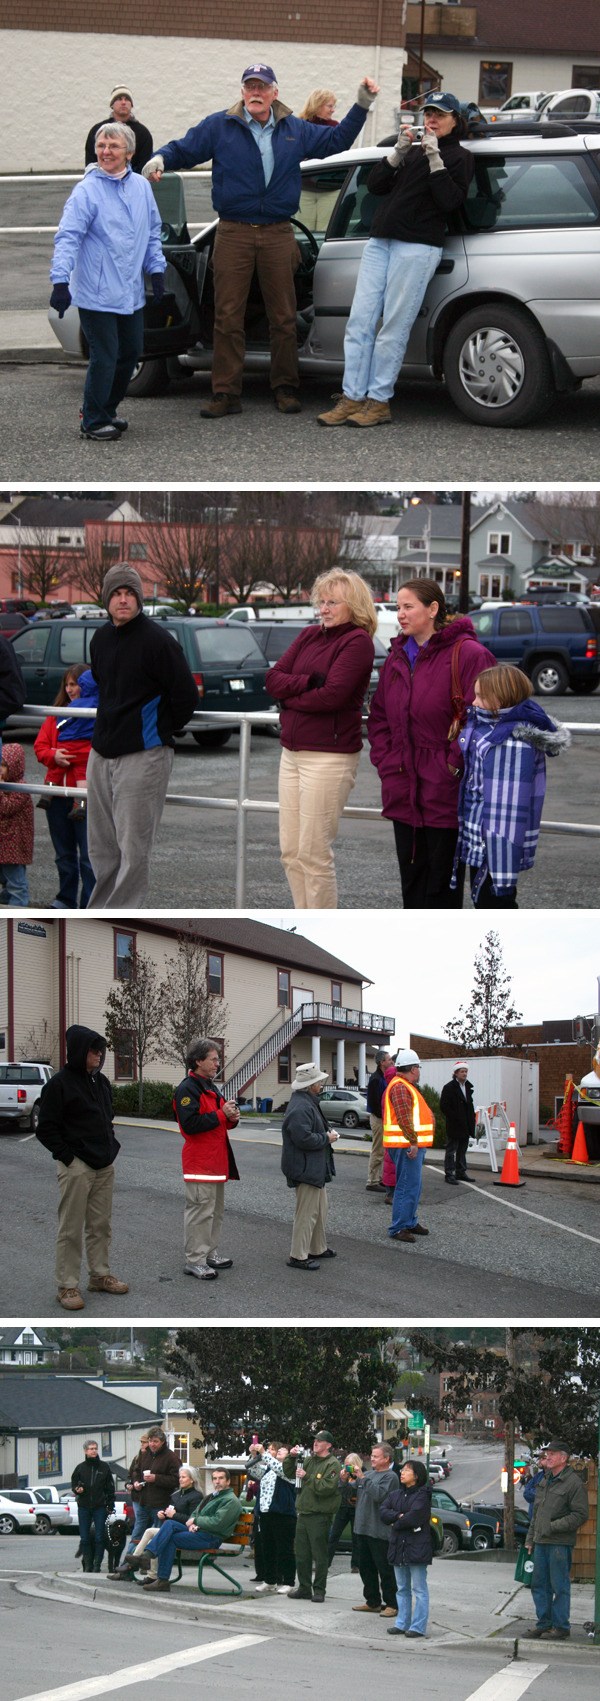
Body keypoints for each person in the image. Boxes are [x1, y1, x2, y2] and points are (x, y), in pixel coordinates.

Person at [143, 65, 379, 417]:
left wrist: (361, 105)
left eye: (262, 86)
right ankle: (225, 393)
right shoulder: (220, 125)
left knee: (282, 316)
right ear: (242, 91)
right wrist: (161, 157)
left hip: (278, 232)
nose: (255, 92)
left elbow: (336, 141)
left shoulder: (294, 129)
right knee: (227, 316)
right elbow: (185, 148)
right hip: (234, 231)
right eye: (249, 86)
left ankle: (285, 387)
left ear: (275, 92)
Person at [317, 92, 473, 429]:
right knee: (359, 322)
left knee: (393, 326)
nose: (431, 120)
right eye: (428, 114)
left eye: (440, 115)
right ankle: (352, 397)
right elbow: (375, 186)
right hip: (381, 242)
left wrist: (434, 158)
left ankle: (379, 401)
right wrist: (399, 151)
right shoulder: (413, 150)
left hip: (417, 248)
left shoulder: (459, 157)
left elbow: (449, 201)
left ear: (455, 120)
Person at [367, 579, 495, 907]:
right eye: (398, 607)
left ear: (433, 609)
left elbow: (482, 717)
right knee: (411, 887)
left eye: (408, 606)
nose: (401, 615)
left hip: (445, 791)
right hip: (402, 784)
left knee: (441, 892)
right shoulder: (397, 657)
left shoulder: (468, 654)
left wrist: (452, 764)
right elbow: (379, 714)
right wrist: (385, 760)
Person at [86, 563, 199, 907]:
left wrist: (159, 731)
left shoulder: (159, 642)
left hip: (143, 756)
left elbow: (186, 697)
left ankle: (119, 917)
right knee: (102, 848)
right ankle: (97, 913)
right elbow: (107, 688)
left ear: (139, 599)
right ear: (106, 600)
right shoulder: (101, 638)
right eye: (117, 594)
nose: (123, 600)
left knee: (133, 850)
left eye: (129, 594)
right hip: (101, 753)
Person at [265, 569, 376, 908]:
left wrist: (288, 698)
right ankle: (304, 913)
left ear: (353, 605)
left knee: (314, 853)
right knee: (291, 851)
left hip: (328, 758)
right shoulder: (310, 635)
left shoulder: (358, 642)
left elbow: (332, 697)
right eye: (321, 602)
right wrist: (304, 684)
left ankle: (321, 920)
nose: (324, 609)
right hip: (292, 754)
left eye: (332, 602)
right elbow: (272, 679)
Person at [50, 123, 166, 440]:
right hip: (96, 291)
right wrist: (60, 281)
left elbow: (152, 231)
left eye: (113, 146)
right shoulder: (87, 191)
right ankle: (91, 418)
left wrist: (156, 270)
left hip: (129, 291)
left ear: (128, 152)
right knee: (106, 355)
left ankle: (107, 410)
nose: (106, 151)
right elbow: (68, 238)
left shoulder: (141, 187)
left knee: (130, 353)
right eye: (101, 145)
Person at [453, 664, 571, 909]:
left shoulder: (513, 741)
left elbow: (508, 805)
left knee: (495, 900)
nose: (473, 702)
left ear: (502, 697)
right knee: (483, 896)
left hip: (494, 838)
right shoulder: (483, 726)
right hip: (478, 831)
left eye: (481, 696)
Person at [35, 1023, 128, 1311]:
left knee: (101, 1225)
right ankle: (67, 1285)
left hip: (104, 1165)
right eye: (93, 1050)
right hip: (77, 1166)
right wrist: (68, 1158)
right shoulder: (59, 1084)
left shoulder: (100, 1083)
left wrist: (110, 1146)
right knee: (71, 1228)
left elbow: (107, 1118)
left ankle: (99, 1275)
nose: (99, 1055)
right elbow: (45, 1128)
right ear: (78, 1051)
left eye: (101, 1050)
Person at [174, 1038, 240, 1281]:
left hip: (216, 1164)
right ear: (198, 1060)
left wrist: (231, 1117)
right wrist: (221, 1114)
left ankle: (209, 1253)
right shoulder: (187, 1089)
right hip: (200, 1164)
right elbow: (190, 1126)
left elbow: (220, 1121)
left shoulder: (211, 1087)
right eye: (213, 1059)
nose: (217, 1063)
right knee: (200, 1213)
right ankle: (195, 1260)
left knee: (214, 1213)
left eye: (217, 1059)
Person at [33, 664, 97, 909]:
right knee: (64, 855)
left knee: (89, 856)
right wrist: (54, 756)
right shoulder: (55, 713)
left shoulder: (97, 714)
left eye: (75, 684)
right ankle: (65, 899)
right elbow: (40, 747)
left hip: (85, 796)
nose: (71, 690)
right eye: (68, 685)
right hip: (56, 794)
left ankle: (90, 904)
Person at [141, 1466, 242, 1592]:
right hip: (200, 1532)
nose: (217, 1481)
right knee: (170, 1524)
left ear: (228, 1481)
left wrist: (196, 1521)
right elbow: (195, 1512)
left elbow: (218, 1522)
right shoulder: (212, 1496)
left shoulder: (231, 1500)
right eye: (215, 1478)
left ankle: (157, 1571)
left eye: (221, 1478)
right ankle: (154, 1566)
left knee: (169, 1538)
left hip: (211, 1537)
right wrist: (193, 1523)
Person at [525, 1441, 589, 1640]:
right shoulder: (545, 1480)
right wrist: (530, 1538)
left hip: (560, 1543)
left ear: (563, 1457)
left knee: (559, 1585)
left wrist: (552, 1527)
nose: (548, 1457)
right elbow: (537, 1513)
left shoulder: (573, 1483)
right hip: (541, 1542)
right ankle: (543, 1623)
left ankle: (561, 1626)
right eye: (547, 1454)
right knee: (539, 1584)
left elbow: (580, 1515)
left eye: (552, 1454)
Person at [281, 1061, 340, 1271]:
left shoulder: (305, 1102)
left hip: (312, 1167)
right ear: (311, 1085)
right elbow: (302, 1139)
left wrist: (325, 1137)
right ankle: (298, 1255)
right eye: (319, 1081)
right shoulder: (301, 1106)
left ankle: (317, 1247)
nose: (321, 1084)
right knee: (307, 1213)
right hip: (306, 1168)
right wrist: (326, 1138)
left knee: (319, 1210)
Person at [111, 1462, 204, 1581]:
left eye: (184, 1477)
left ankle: (133, 1566)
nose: (180, 1479)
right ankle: (149, 1573)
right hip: (170, 1528)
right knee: (150, 1533)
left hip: (184, 1530)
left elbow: (192, 1519)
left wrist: (174, 1515)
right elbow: (170, 1512)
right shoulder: (176, 1495)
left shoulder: (196, 1496)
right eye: (180, 1477)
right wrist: (164, 1515)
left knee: (154, 1537)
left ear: (192, 1480)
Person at [109, 1429, 180, 1577]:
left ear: (162, 1442)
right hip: (142, 1501)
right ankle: (127, 1569)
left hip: (160, 1504)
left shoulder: (171, 1458)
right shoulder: (144, 1454)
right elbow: (135, 1471)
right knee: (136, 1536)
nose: (152, 1444)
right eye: (150, 1441)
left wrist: (156, 1478)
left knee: (156, 1539)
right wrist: (135, 1482)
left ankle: (152, 1575)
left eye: (155, 1442)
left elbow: (176, 1481)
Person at [383, 1048, 433, 1245]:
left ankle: (409, 1222)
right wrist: (413, 1141)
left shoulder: (402, 1085)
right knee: (406, 1186)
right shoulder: (401, 1087)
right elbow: (404, 1117)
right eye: (418, 1068)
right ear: (413, 1069)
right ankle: (399, 1227)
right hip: (406, 1145)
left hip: (407, 1144)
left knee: (413, 1186)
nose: (419, 1072)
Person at [283, 1431, 341, 1601]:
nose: (315, 1443)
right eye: (315, 1440)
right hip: (303, 1513)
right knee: (302, 1555)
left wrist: (307, 1477)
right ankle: (304, 1588)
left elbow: (327, 1488)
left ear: (328, 1445)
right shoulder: (308, 1460)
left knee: (319, 1555)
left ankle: (319, 1590)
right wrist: (291, 1458)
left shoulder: (333, 1464)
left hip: (319, 1515)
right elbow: (288, 1473)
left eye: (320, 1441)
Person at [380, 1457, 434, 1638]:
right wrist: (398, 1516)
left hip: (417, 1547)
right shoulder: (395, 1494)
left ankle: (417, 1627)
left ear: (416, 1476)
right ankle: (401, 1623)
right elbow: (383, 1512)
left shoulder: (423, 1494)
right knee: (402, 1587)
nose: (402, 1472)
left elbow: (415, 1516)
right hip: (398, 1547)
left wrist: (396, 1521)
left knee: (419, 1589)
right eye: (402, 1470)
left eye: (406, 1470)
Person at [351, 1442, 399, 1618]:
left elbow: (379, 1495)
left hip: (379, 1531)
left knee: (385, 1570)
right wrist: (345, 1478)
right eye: (371, 1455)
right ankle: (372, 1601)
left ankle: (392, 1604)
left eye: (376, 1456)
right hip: (361, 1528)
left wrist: (363, 1478)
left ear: (386, 1459)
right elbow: (350, 1489)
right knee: (365, 1568)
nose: (371, 1458)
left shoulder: (391, 1477)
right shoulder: (369, 1474)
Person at [247, 1441, 297, 1593]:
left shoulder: (290, 1470)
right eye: (278, 1450)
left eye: (283, 1451)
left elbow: (279, 1469)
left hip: (283, 1514)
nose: (279, 1452)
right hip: (266, 1513)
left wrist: (264, 1453)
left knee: (285, 1549)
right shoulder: (269, 1469)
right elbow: (253, 1469)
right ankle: (270, 1580)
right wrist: (254, 1455)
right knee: (267, 1548)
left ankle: (289, 1582)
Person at [85, 86, 154, 173]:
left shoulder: (143, 133)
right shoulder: (98, 131)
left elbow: (144, 165)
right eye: (119, 99)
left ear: (132, 105)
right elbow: (90, 163)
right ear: (112, 104)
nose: (123, 102)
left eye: (127, 99)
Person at [71, 1439, 115, 1573]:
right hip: (84, 1506)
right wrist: (77, 1489)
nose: (94, 1451)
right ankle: (88, 1564)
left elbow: (110, 1488)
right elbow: (74, 1484)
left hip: (100, 1507)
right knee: (84, 1537)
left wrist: (110, 1505)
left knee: (99, 1537)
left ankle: (97, 1565)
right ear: (85, 1451)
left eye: (95, 1448)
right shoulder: (80, 1468)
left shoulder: (104, 1467)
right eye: (91, 1449)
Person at [0, 743, 33, 906]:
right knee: (6, 883)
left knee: (16, 885)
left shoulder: (20, 788)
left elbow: (6, 807)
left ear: (15, 766)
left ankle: (18, 911)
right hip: (4, 845)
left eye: (4, 766)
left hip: (14, 846)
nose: (0, 769)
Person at [440, 1062, 476, 1185]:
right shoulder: (449, 1087)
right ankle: (449, 1174)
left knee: (462, 1150)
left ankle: (461, 1172)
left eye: (466, 1071)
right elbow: (444, 1106)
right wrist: (455, 1118)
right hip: (455, 1125)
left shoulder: (467, 1087)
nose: (465, 1074)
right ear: (456, 1073)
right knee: (451, 1150)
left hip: (466, 1124)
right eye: (462, 1071)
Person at [328, 1452, 362, 1571]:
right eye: (346, 1465)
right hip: (343, 1507)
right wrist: (343, 1478)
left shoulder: (361, 1474)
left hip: (356, 1508)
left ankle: (355, 1565)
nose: (347, 1467)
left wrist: (356, 1475)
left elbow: (357, 1490)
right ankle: (326, 1563)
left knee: (356, 1538)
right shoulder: (343, 1474)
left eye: (350, 1465)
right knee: (334, 1535)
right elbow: (339, 1488)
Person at [365, 1050, 392, 1192]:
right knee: (378, 1150)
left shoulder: (382, 1077)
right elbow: (375, 1103)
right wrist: (384, 1117)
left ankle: (378, 1178)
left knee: (382, 1150)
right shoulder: (376, 1079)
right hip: (378, 1119)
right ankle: (372, 1181)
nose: (391, 1061)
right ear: (382, 1062)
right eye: (388, 1059)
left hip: (382, 1118)